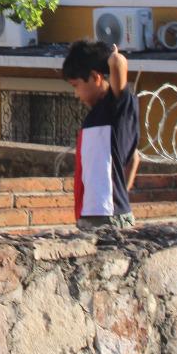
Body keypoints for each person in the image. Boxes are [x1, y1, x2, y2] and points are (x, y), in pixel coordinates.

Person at [62, 40, 140, 229]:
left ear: (96, 77)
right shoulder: (97, 116)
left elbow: (119, 65)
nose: (76, 94)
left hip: (106, 215)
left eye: (76, 85)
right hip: (93, 211)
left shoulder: (117, 107)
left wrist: (114, 57)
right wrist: (122, 193)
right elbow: (134, 158)